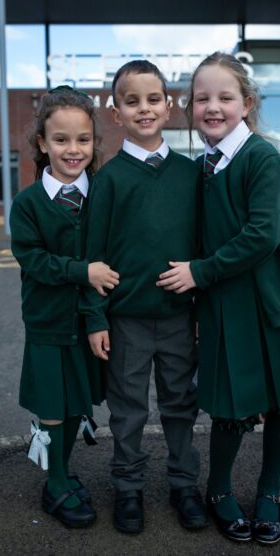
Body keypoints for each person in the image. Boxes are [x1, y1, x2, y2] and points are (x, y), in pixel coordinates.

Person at [156, 52, 280, 545]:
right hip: (227, 302)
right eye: (202, 99)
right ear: (190, 108)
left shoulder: (264, 158)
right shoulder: (202, 167)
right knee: (230, 404)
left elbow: (262, 236)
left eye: (225, 97)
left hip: (278, 299)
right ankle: (218, 490)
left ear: (246, 103)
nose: (213, 107)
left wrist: (200, 272)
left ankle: (269, 491)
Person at [81, 60, 208, 534]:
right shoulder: (109, 179)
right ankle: (128, 488)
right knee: (128, 411)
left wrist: (203, 306)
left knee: (180, 405)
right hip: (126, 321)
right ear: (116, 113)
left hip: (179, 317)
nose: (144, 109)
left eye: (153, 99)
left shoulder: (190, 174)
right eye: (132, 101)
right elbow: (94, 255)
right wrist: (96, 318)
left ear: (169, 105)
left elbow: (203, 248)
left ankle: (183, 484)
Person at [10, 86, 119, 529]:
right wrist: (83, 272)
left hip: (89, 322)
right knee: (52, 404)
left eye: (82, 140)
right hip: (48, 321)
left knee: (78, 403)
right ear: (42, 143)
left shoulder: (102, 196)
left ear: (94, 142)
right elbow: (33, 260)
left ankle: (62, 468)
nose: (72, 150)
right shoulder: (28, 204)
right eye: (61, 140)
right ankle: (54, 483)